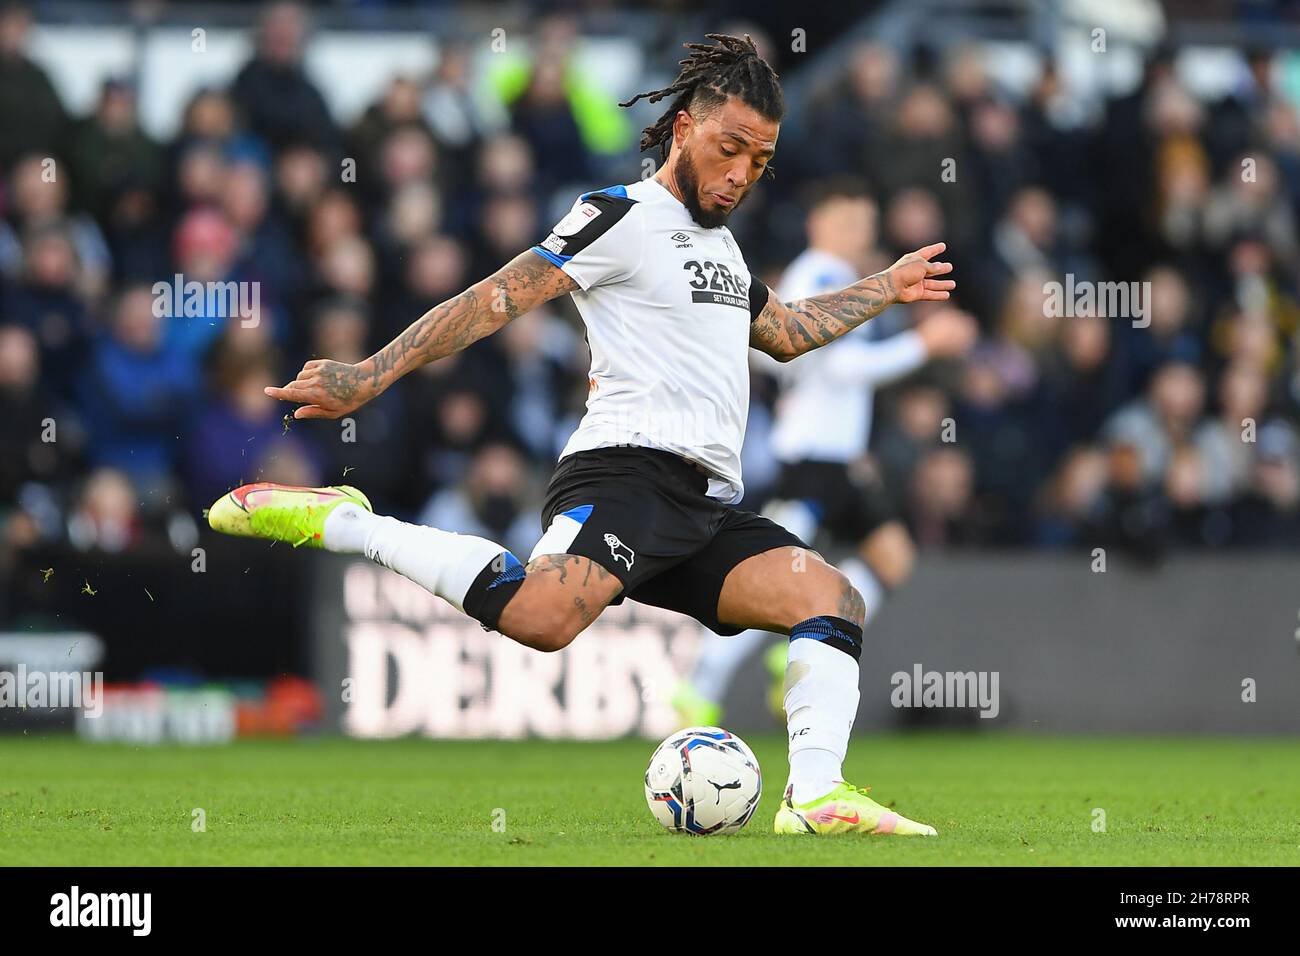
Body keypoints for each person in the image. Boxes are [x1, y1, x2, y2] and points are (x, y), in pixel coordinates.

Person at [208, 34, 954, 836]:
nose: (741, 174)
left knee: (832, 597)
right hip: (624, 475)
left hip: (707, 506)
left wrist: (886, 286)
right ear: (685, 131)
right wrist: (369, 375)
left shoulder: (726, 251)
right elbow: (493, 299)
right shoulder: (619, 216)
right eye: (730, 148)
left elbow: (790, 331)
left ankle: (813, 798)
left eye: (760, 160)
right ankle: (347, 520)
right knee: (542, 620)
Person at [675, 180, 976, 727]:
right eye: (849, 223)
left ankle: (781, 651)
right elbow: (834, 367)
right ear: (820, 225)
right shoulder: (821, 273)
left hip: (837, 462)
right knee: (764, 580)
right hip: (810, 463)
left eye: (865, 224)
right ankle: (700, 687)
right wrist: (923, 346)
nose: (859, 234)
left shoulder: (836, 277)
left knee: (891, 558)